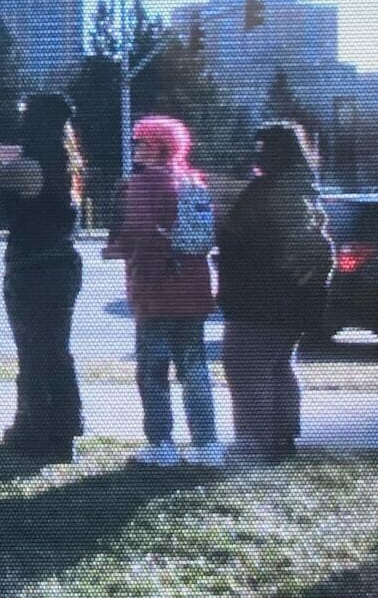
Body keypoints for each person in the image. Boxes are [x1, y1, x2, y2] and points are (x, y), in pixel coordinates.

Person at [103, 116, 222, 467]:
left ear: (155, 146)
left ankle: (162, 445)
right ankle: (206, 444)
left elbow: (137, 235)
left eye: (140, 142)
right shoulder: (193, 180)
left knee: (153, 372)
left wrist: (116, 248)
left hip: (155, 291)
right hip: (194, 290)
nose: (136, 148)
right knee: (195, 369)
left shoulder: (140, 185)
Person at [217, 121, 333, 464]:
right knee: (278, 366)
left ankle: (253, 444)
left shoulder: (271, 190)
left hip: (260, 298)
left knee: (245, 368)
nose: (257, 154)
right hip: (290, 299)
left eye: (263, 147)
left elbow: (307, 246)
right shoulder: (304, 186)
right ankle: (282, 438)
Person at [0, 93, 84, 463]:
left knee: (35, 354)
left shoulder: (31, 167)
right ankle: (63, 429)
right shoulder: (60, 160)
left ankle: (35, 429)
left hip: (34, 267)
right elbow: (9, 155)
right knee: (55, 351)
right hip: (59, 264)